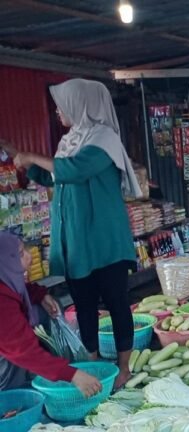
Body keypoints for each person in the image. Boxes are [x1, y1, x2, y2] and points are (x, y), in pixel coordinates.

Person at [2, 79, 142, 389]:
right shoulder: (71, 142)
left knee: (118, 304)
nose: (56, 111)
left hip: (104, 241)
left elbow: (74, 170)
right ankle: (91, 364)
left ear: (82, 104)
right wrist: (18, 154)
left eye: (61, 104)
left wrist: (32, 155)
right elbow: (53, 176)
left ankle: (123, 368)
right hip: (77, 243)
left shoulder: (103, 140)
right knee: (84, 305)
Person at [0, 232, 102, 397]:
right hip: (8, 352)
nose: (29, 257)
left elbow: (21, 290)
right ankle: (12, 401)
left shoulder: (5, 278)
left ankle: (41, 369)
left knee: (48, 307)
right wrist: (73, 375)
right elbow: (21, 350)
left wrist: (41, 295)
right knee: (13, 367)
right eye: (20, 254)